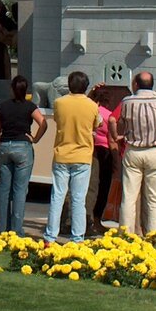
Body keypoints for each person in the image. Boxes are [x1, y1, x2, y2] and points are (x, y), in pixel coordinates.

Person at [108, 72, 156, 235]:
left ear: (136, 84)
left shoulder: (127, 102)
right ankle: (154, 234)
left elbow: (112, 120)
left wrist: (116, 136)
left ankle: (126, 234)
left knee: (129, 196)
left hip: (133, 150)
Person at [44, 71, 101, 243]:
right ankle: (77, 238)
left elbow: (58, 120)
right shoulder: (92, 106)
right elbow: (97, 124)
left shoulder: (59, 103)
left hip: (62, 155)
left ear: (69, 85)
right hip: (83, 156)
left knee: (57, 197)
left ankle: (50, 237)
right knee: (78, 199)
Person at [0, 75, 47, 235]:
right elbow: (43, 123)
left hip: (4, 145)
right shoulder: (30, 107)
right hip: (23, 146)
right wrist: (35, 138)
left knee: (4, 189)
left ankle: (2, 228)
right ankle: (17, 230)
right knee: (20, 190)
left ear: (11, 89)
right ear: (26, 91)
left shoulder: (1, 107)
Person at [89, 85, 116, 235]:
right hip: (104, 152)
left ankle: (90, 219)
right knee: (103, 187)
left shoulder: (90, 110)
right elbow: (111, 139)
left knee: (91, 186)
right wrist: (116, 159)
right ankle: (97, 220)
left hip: (91, 150)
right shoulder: (108, 115)